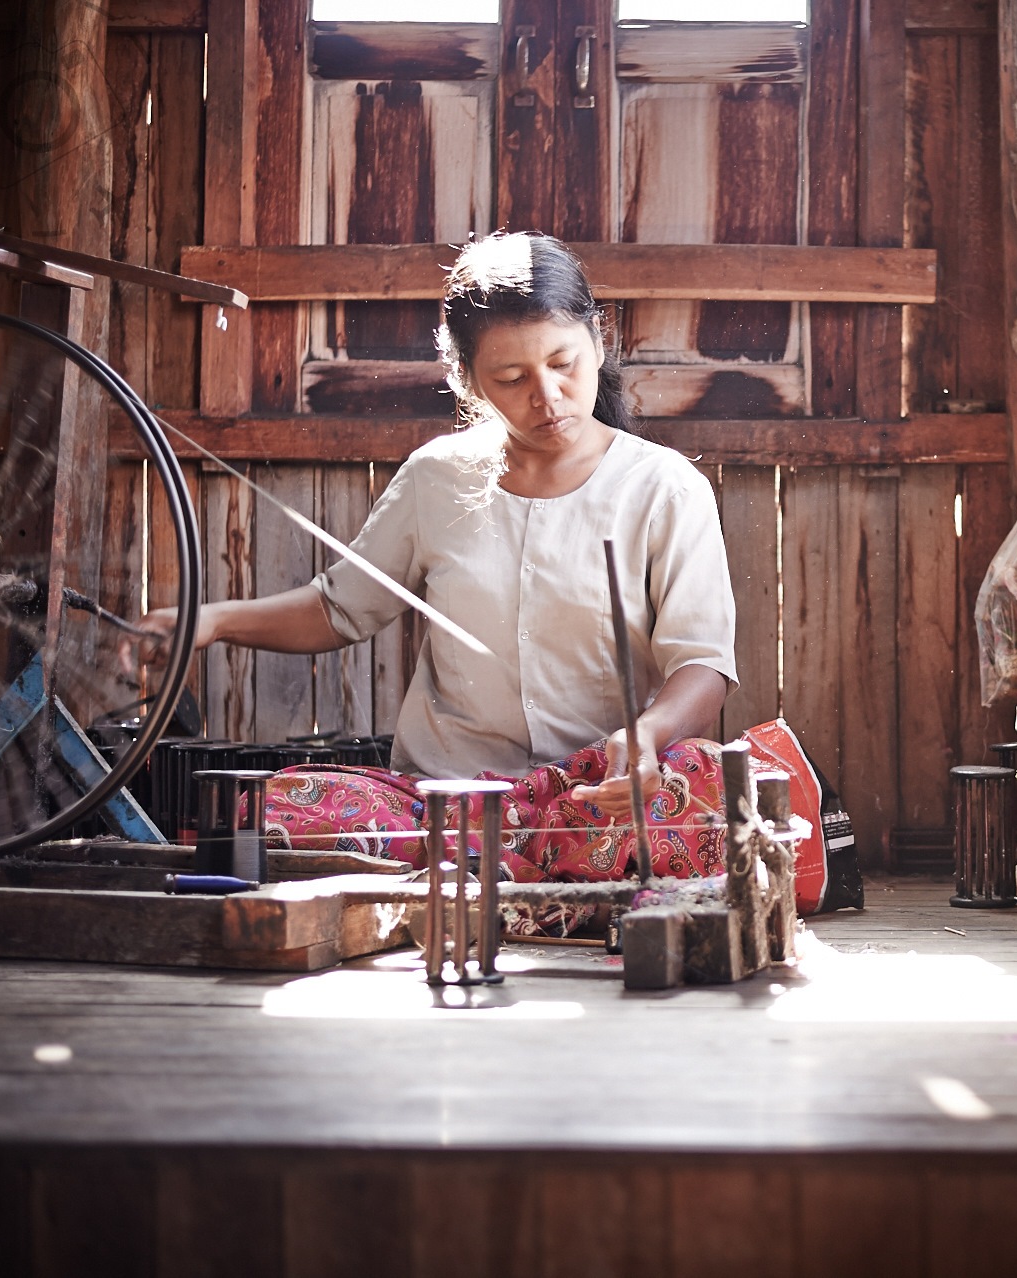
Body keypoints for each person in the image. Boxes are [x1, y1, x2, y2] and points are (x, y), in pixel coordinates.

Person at [136, 233, 739, 901]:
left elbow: (702, 665)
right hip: (446, 807)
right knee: (278, 811)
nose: (548, 396)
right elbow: (339, 608)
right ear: (468, 380)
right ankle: (543, 892)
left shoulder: (663, 487)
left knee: (708, 795)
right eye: (512, 379)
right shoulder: (436, 479)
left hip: (593, 801)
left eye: (564, 362)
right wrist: (213, 621)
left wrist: (648, 735)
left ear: (598, 342)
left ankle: (476, 888)